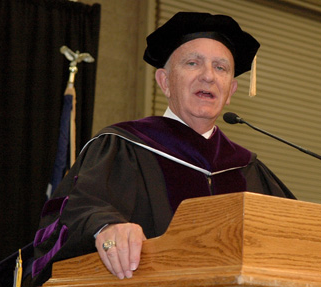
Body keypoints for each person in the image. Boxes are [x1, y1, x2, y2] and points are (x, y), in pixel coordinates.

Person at [31, 11, 296, 286]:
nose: (208, 76)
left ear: (230, 91)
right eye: (193, 63)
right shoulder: (123, 147)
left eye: (221, 68)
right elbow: (69, 211)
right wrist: (105, 227)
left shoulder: (248, 169)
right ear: (165, 82)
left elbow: (297, 237)